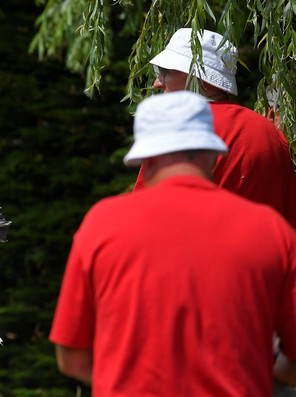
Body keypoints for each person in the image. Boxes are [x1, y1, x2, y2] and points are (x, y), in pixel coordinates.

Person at [49, 91, 296, 396]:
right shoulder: (272, 231)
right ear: (214, 154)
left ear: (145, 157)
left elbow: (71, 358)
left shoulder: (102, 224)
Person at [132, 28, 296, 228]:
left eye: (164, 72)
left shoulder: (178, 132)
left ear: (197, 76)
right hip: (261, 256)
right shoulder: (272, 135)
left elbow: (143, 219)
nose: (158, 83)